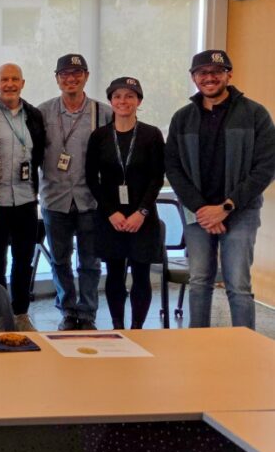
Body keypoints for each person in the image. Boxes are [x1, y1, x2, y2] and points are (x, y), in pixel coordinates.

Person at [165, 49, 275, 330]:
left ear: (229, 74)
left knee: (238, 283)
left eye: (216, 72)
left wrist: (225, 208)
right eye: (202, 73)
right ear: (194, 78)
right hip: (198, 214)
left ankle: (245, 345)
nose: (210, 78)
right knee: (199, 280)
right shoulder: (183, 118)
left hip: (240, 212)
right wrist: (202, 210)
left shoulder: (255, 114)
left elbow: (265, 168)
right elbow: (173, 168)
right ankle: (198, 341)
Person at [37, 54, 112, 331]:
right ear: (57, 79)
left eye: (77, 73)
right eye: (65, 74)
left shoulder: (103, 113)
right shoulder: (42, 112)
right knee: (59, 260)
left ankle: (88, 313)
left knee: (90, 262)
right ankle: (68, 311)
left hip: (90, 199)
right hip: (54, 198)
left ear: (87, 76)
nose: (71, 78)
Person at [86, 77, 164, 330]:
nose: (123, 101)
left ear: (139, 101)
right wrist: (111, 212)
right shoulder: (99, 136)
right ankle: (118, 327)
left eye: (130, 96)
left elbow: (156, 177)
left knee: (141, 274)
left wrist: (141, 212)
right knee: (115, 274)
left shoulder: (151, 135)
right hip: (111, 217)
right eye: (117, 96)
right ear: (110, 101)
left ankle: (138, 329)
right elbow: (91, 178)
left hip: (143, 216)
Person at [0, 63, 46, 332]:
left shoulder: (34, 115)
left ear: (22, 83)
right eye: (4, 79)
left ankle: (20, 312)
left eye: (14, 79)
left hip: (25, 199)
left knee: (24, 258)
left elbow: (40, 153)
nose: (9, 84)